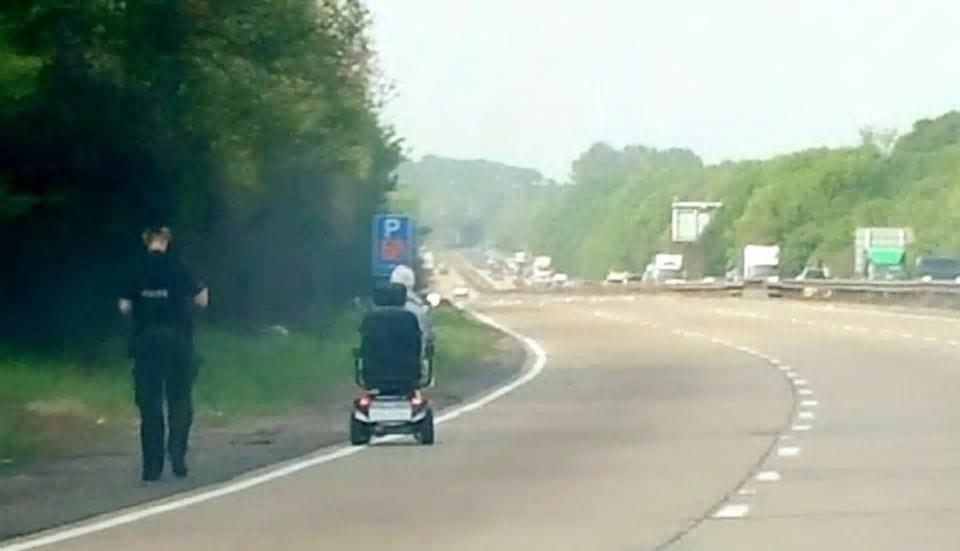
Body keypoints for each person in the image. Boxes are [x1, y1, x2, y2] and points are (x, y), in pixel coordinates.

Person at [119, 226, 208, 482]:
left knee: (150, 405)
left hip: (146, 342)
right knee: (180, 399)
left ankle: (152, 467)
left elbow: (124, 306)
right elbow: (202, 299)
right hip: (178, 341)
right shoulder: (180, 266)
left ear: (145, 240)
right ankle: (178, 457)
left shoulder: (135, 268)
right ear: (167, 240)